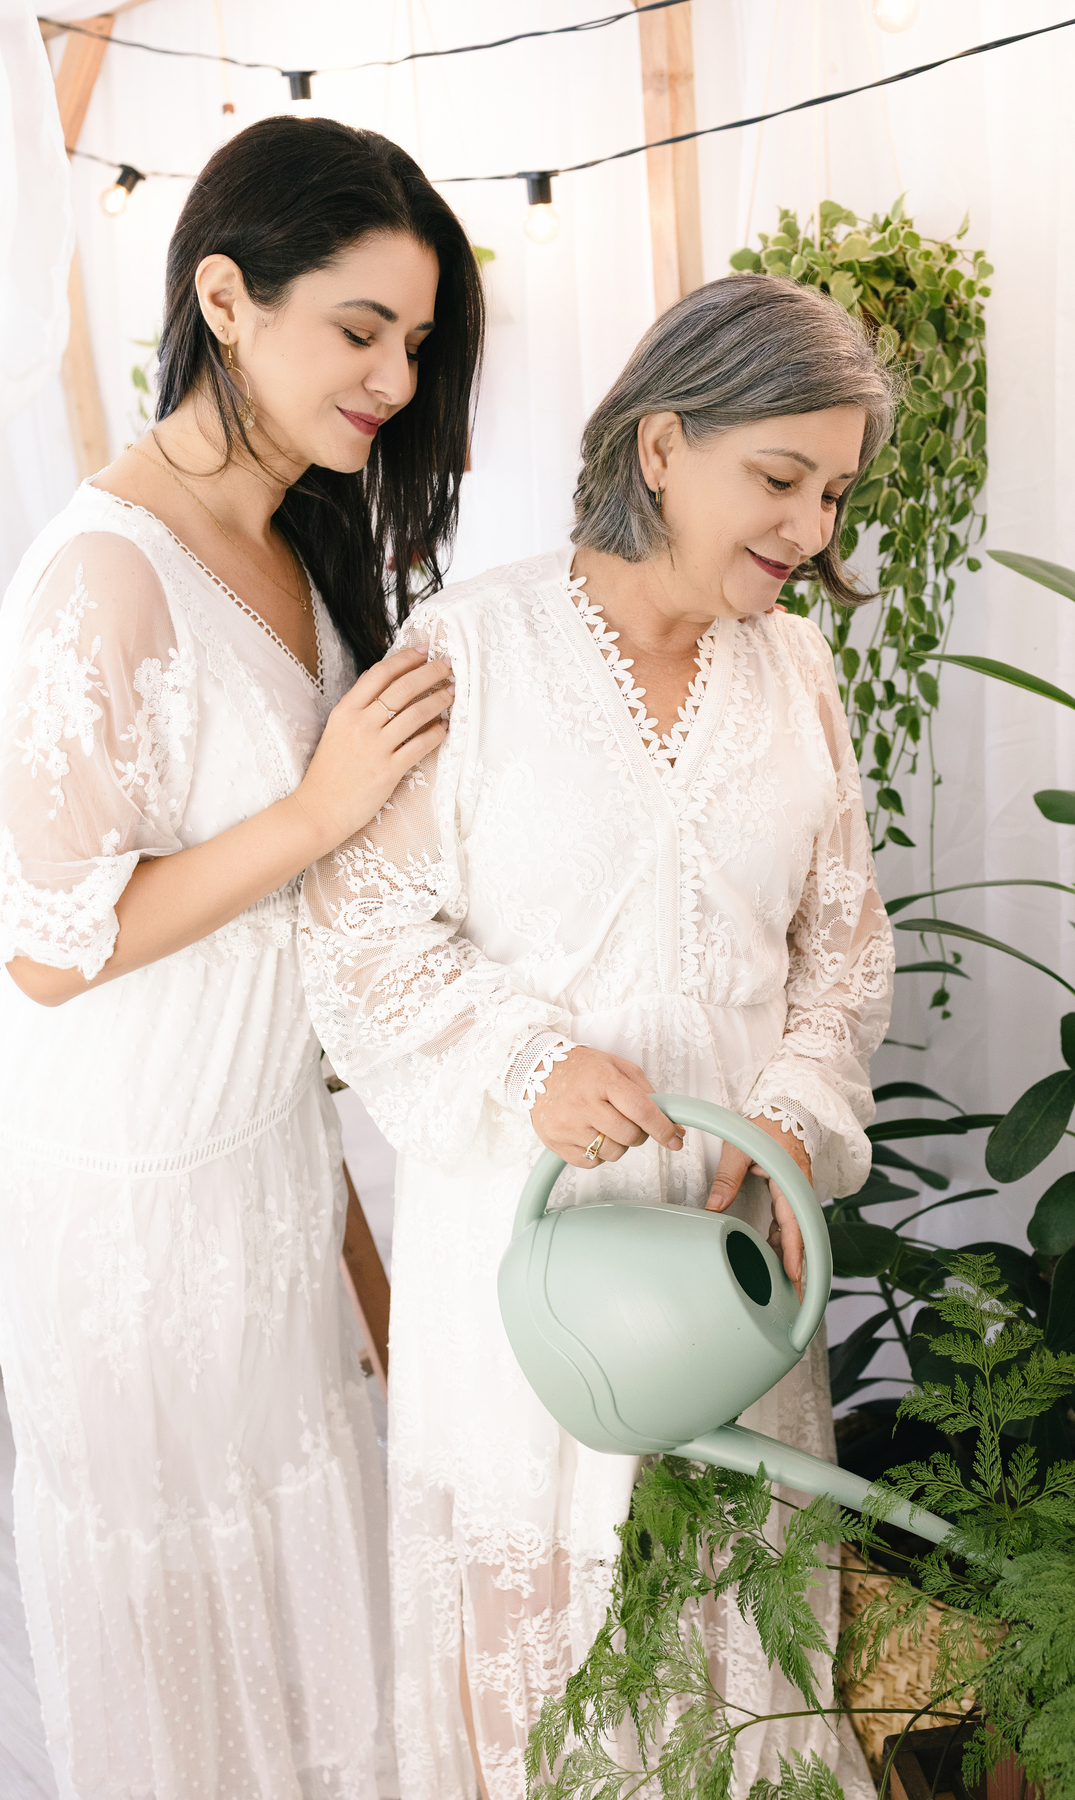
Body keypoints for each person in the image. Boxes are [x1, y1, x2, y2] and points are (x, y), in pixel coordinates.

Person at [299, 273, 895, 1800]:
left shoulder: (801, 674)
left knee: (732, 1656)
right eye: (781, 478)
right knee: (541, 1671)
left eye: (833, 490)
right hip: (521, 1273)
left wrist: (796, 1134)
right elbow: (355, 922)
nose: (813, 528)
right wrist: (526, 1060)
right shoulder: (470, 651)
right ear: (658, 446)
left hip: (734, 1272)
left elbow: (840, 948)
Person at [0, 116, 481, 1800]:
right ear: (224, 294)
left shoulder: (298, 549)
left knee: (320, 1637)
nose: (396, 381)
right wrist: (322, 807)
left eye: (415, 345)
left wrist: (369, 1275)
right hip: (130, 1222)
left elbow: (297, 949)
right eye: (360, 330)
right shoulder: (101, 576)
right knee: (194, 1681)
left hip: (272, 1178)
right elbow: (48, 946)